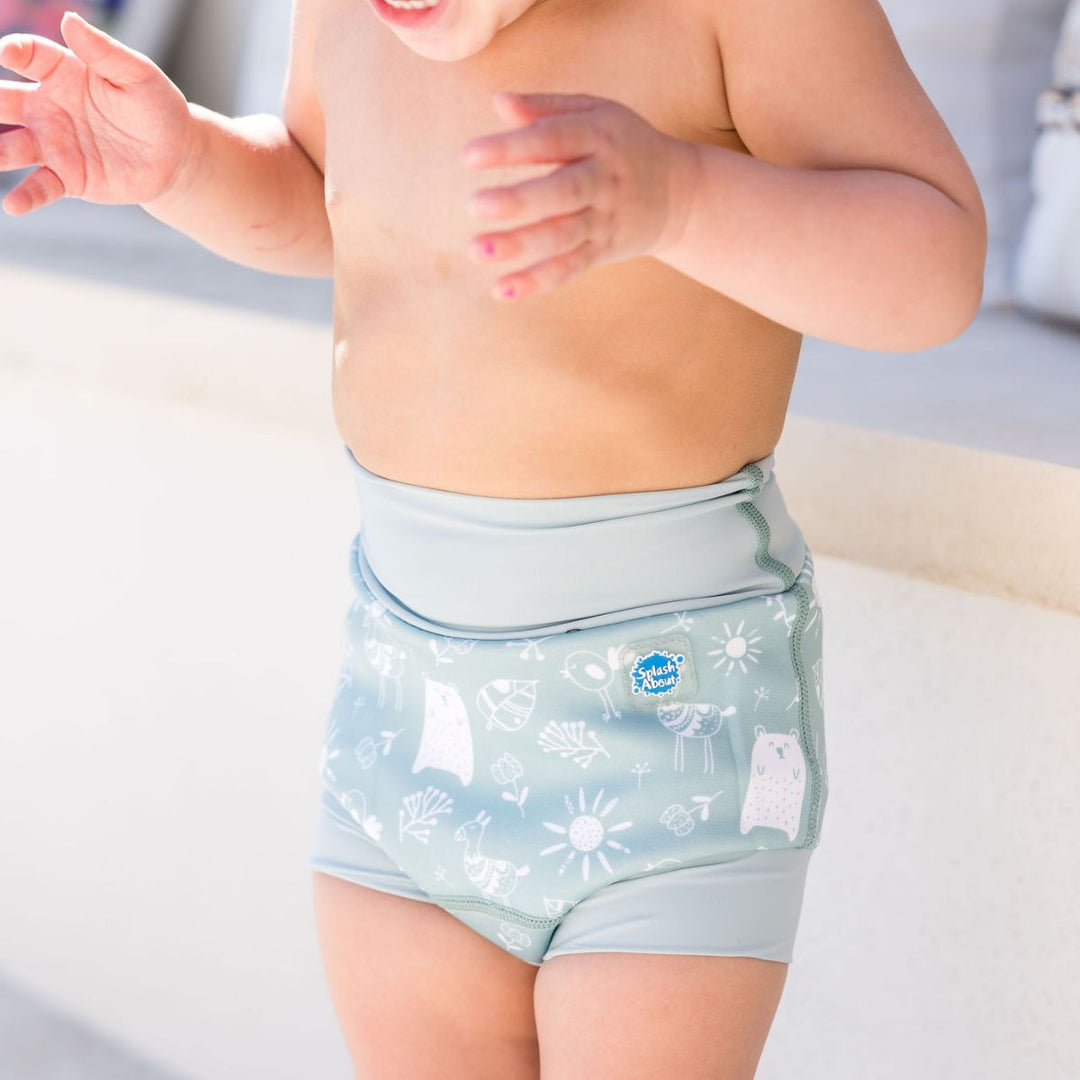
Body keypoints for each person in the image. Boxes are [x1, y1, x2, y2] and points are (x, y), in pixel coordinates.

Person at [0, 1, 987, 1076]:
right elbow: (332, 201)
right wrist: (190, 165)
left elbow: (933, 270)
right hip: (410, 714)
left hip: (669, 734)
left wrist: (683, 197)